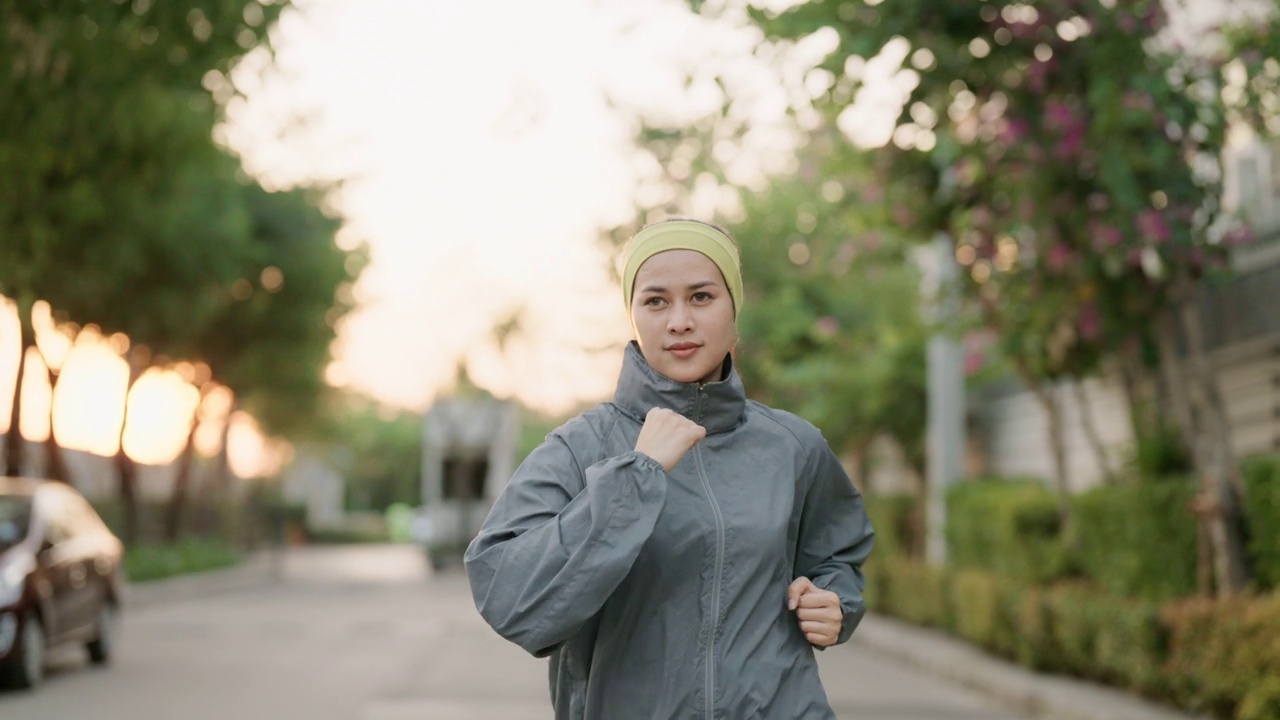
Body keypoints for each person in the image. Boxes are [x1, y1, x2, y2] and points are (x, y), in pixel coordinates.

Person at [464, 218, 875, 719]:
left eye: (701, 297)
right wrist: (639, 473)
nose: (679, 320)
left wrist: (834, 600)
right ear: (633, 315)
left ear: (733, 309)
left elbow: (835, 557)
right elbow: (511, 599)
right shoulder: (580, 448)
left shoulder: (793, 447)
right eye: (655, 301)